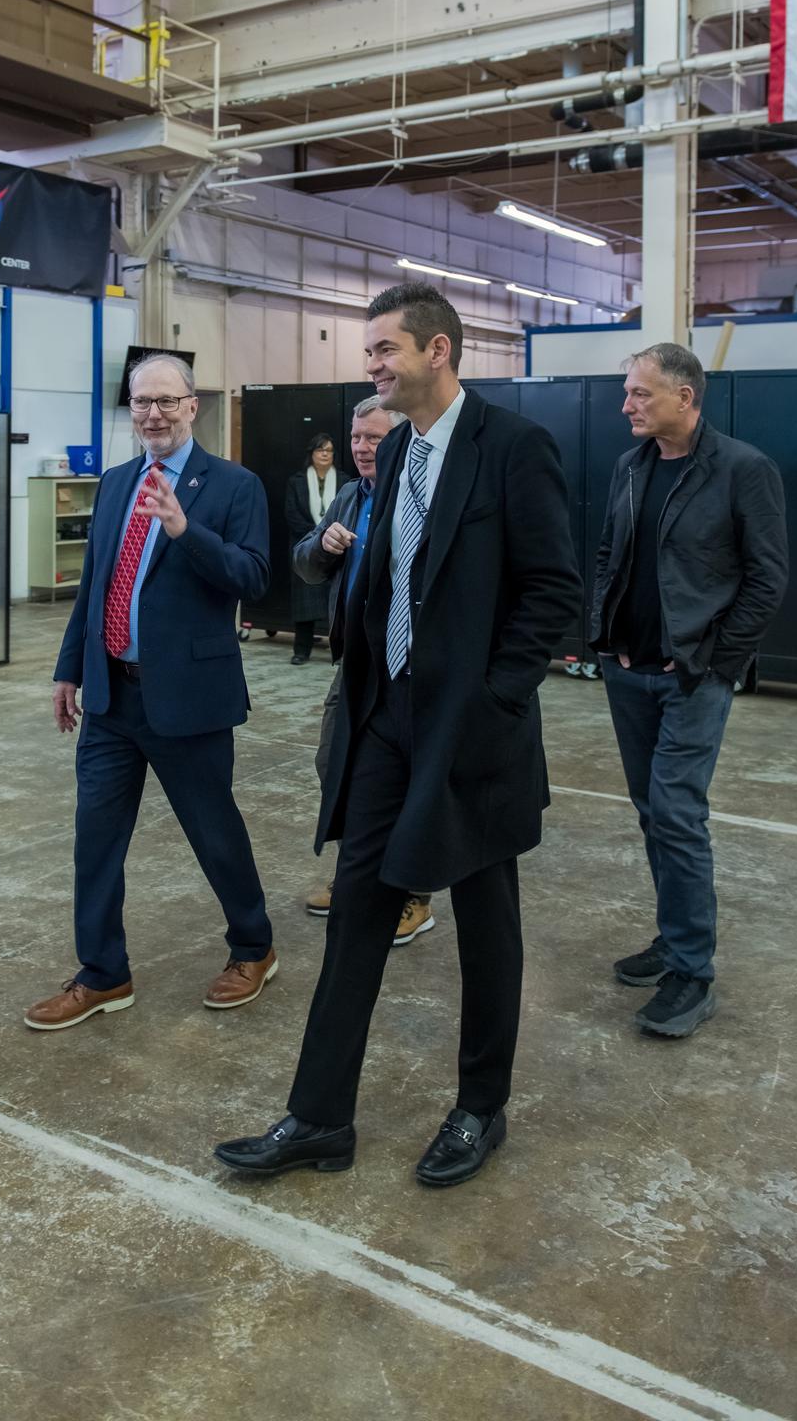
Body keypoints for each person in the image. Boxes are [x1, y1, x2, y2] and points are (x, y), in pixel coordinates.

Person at [215, 282, 581, 1188]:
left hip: (475, 727)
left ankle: (480, 1107)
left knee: (488, 925)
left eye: (384, 350)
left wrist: (496, 699)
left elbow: (554, 592)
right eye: (370, 351)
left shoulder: (512, 447)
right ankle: (319, 1117)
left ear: (438, 351)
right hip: (386, 719)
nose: (370, 366)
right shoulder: (402, 454)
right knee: (358, 915)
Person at [25, 355, 278, 1032]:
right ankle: (103, 973)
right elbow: (96, 586)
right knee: (95, 840)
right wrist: (68, 669)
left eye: (167, 401)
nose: (154, 414)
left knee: (212, 832)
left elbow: (253, 578)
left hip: (188, 700)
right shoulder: (113, 484)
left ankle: (254, 946)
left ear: (193, 406)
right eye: (142, 403)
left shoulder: (233, 485)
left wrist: (183, 531)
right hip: (112, 698)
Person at [589, 342, 788, 1039]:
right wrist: (601, 633)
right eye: (628, 392)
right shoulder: (630, 467)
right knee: (653, 813)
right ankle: (674, 941)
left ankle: (693, 974)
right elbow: (611, 554)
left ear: (686, 397)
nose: (627, 405)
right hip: (627, 668)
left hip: (691, 677)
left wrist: (715, 663)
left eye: (641, 393)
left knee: (676, 812)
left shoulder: (742, 469)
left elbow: (767, 578)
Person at [293, 396, 435, 947]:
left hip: (406, 666)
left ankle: (413, 896)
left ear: (402, 440)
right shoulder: (352, 496)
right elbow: (305, 565)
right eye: (356, 438)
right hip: (356, 662)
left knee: (411, 782)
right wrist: (323, 547)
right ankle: (358, 876)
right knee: (337, 763)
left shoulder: (420, 497)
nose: (360, 448)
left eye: (373, 438)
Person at [284, 432, 348, 664]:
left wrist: (330, 538)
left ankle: (340, 653)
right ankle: (301, 651)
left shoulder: (344, 480)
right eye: (320, 450)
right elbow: (292, 514)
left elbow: (347, 513)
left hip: (337, 549)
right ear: (311, 454)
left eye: (329, 450)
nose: (324, 454)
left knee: (338, 604)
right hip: (307, 548)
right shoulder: (297, 481)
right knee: (304, 606)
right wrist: (316, 537)